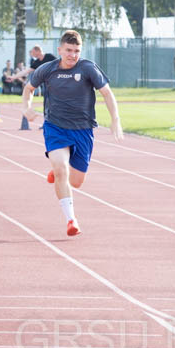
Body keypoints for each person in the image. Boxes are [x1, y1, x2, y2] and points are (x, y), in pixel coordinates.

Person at [21, 30, 123, 237]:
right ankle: (71, 219)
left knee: (76, 182)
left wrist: (115, 119)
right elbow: (28, 89)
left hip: (83, 130)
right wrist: (27, 108)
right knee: (61, 170)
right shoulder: (47, 69)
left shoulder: (87, 68)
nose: (72, 55)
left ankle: (58, 171)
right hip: (55, 128)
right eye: (68, 50)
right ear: (60, 50)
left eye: (76, 51)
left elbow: (107, 93)